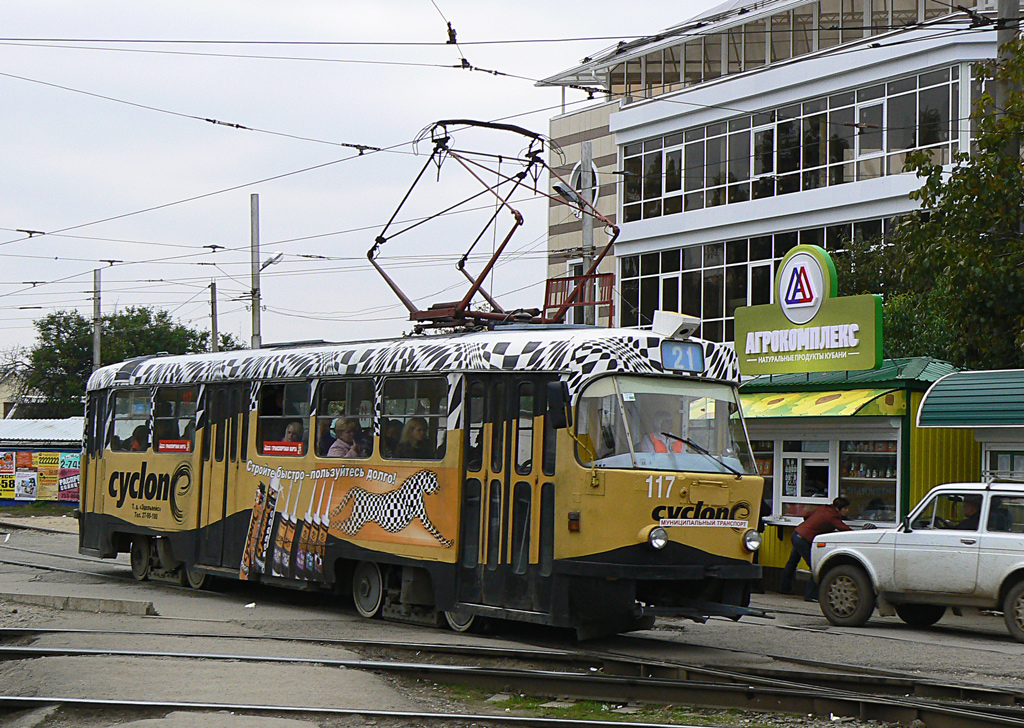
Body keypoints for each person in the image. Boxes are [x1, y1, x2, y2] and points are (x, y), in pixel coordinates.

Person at [779, 496, 852, 601]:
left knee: (792, 562)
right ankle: (810, 595)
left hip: (797, 533)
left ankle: (784, 588)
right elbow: (844, 529)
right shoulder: (833, 516)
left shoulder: (824, 508)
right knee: (815, 566)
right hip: (803, 540)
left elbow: (806, 515)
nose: (847, 511)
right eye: (845, 508)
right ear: (838, 508)